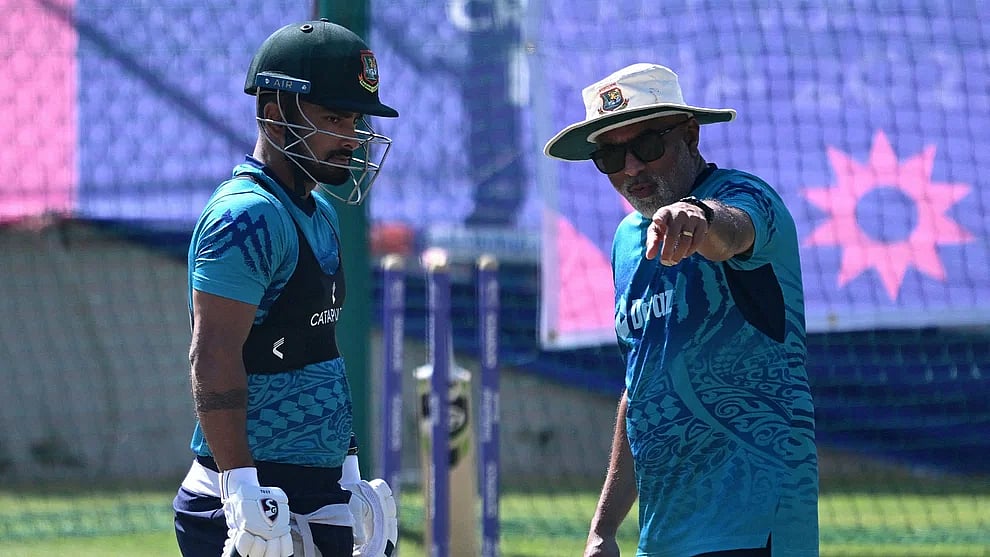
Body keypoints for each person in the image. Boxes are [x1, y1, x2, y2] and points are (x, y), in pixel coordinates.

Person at [544, 63, 819, 557]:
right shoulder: (626, 242)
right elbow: (641, 387)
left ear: (690, 135)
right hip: (663, 537)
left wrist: (698, 216)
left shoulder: (747, 197)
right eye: (610, 155)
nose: (631, 168)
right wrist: (603, 529)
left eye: (647, 146)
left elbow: (733, 231)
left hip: (756, 529)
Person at [172, 19, 399, 557]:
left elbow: (317, 350)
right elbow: (214, 354)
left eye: (356, 118)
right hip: (256, 501)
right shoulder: (246, 216)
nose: (352, 135)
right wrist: (242, 489)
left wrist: (347, 472)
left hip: (313, 492)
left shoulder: (317, 208)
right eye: (333, 118)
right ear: (275, 116)